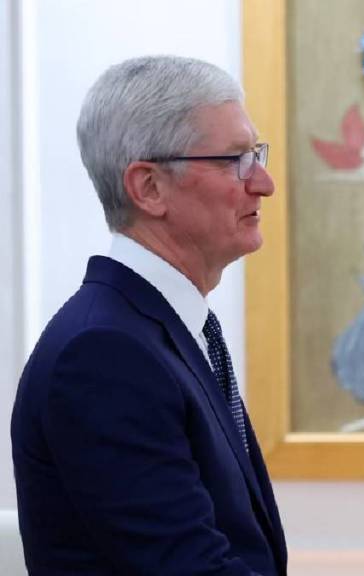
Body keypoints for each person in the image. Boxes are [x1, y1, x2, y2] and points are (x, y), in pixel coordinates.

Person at [11, 56, 287, 575]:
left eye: (256, 154)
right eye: (235, 160)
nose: (264, 183)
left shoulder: (165, 329)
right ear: (149, 188)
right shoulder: (102, 355)